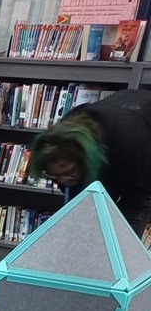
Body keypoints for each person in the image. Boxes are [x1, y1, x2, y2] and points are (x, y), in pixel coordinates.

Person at [29, 88, 151, 236]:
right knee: (88, 218)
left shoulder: (132, 143)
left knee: (123, 233)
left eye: (68, 174)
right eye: (55, 176)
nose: (62, 180)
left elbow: (140, 200)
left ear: (85, 161)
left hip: (140, 154)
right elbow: (83, 202)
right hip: (113, 130)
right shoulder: (63, 131)